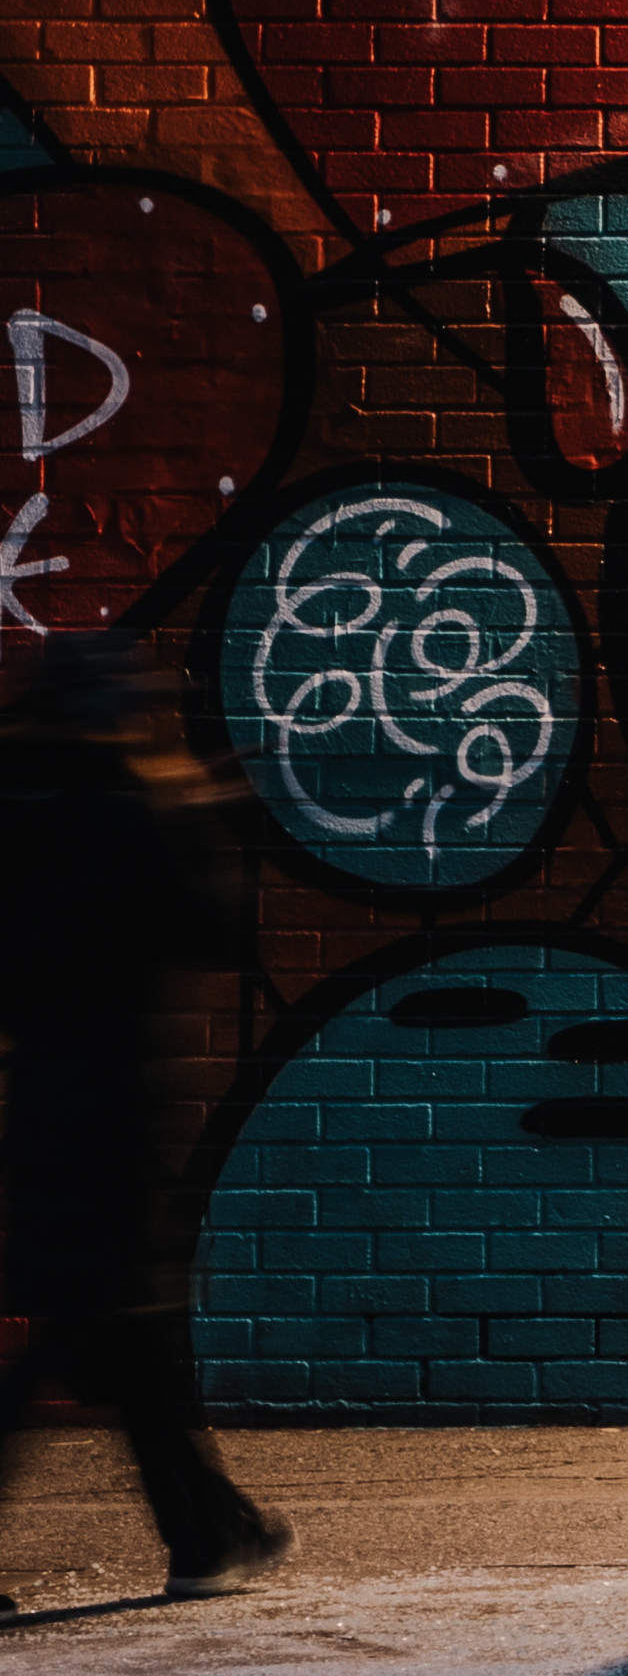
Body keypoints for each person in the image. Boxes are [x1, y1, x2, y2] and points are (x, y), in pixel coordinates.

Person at [0, 636, 288, 1599]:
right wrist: (200, 815)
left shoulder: (17, 805)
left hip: (45, 1098)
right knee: (106, 1324)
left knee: (115, 1330)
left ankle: (210, 1533)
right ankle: (208, 1536)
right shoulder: (128, 809)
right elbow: (209, 930)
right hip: (116, 1105)